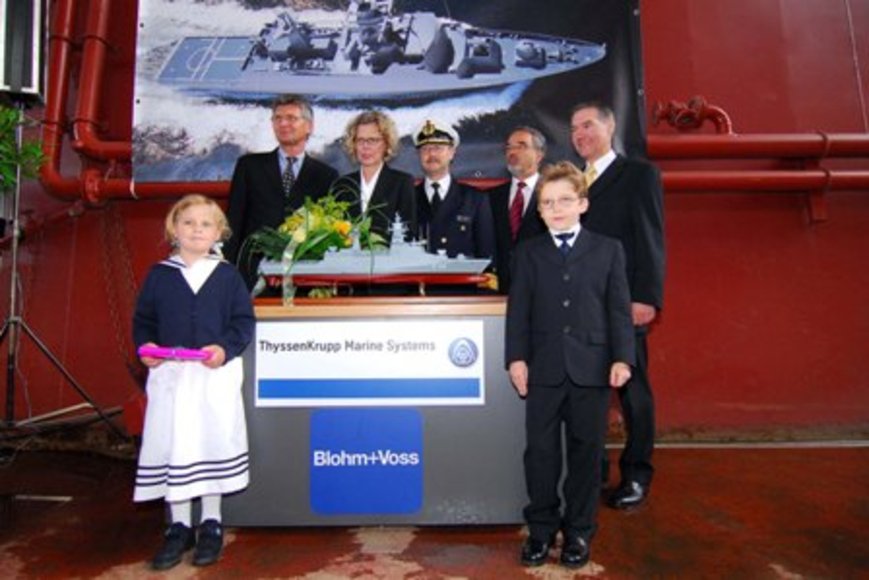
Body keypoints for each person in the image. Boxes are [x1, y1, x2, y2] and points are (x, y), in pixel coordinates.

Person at [505, 161, 635, 569]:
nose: (556, 208)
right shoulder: (527, 253)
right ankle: (541, 530)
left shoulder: (608, 250)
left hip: (592, 368)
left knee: (586, 452)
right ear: (539, 211)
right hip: (542, 370)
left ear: (582, 204)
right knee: (540, 453)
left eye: (564, 200)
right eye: (547, 203)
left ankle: (579, 532)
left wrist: (622, 357)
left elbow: (618, 309)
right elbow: (519, 311)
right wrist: (516, 359)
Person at [133, 195, 255, 570]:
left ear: (218, 232)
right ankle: (179, 526)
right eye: (188, 223)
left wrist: (224, 348)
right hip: (172, 377)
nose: (197, 230)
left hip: (212, 376)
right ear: (174, 229)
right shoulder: (159, 275)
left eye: (205, 224)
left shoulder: (227, 275)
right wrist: (146, 347)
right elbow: (144, 321)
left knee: (210, 441)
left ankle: (212, 524)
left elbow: (242, 322)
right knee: (175, 443)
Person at [570, 100, 665, 509]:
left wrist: (646, 297)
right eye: (574, 128)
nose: (580, 134)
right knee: (586, 393)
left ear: (609, 128)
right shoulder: (571, 181)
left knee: (632, 393)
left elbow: (650, 239)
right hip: (578, 307)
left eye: (588, 125)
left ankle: (637, 474)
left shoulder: (638, 174)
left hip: (624, 305)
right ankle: (592, 474)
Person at [223, 94, 338, 290]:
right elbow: (233, 221)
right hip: (252, 272)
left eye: (291, 118)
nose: (283, 124)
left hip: (304, 274)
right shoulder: (249, 166)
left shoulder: (326, 175)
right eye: (277, 118)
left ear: (309, 126)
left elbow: (328, 231)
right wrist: (228, 272)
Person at [412, 118, 495, 260]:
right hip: (418, 281)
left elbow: (486, 253)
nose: (431, 154)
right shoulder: (407, 198)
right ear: (418, 155)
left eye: (437, 148)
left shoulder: (475, 199)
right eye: (425, 149)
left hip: (461, 281)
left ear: (452, 153)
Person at [336, 110, 416, 245]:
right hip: (348, 263)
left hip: (389, 264)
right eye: (360, 140)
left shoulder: (402, 182)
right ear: (353, 144)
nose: (365, 147)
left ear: (386, 143)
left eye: (372, 140)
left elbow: (409, 233)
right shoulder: (342, 184)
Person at [488, 126, 547, 294]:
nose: (512, 151)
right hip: (500, 291)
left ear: (539, 155)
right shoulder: (491, 197)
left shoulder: (553, 194)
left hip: (543, 288)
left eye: (521, 146)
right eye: (509, 147)